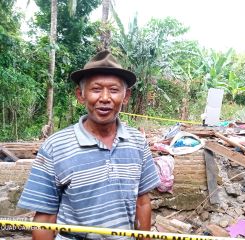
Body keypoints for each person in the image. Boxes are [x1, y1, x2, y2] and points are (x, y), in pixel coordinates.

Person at [17, 50, 160, 240]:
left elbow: (142, 202)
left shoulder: (138, 142)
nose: (105, 98)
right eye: (96, 89)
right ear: (81, 94)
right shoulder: (55, 147)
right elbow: (45, 217)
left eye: (114, 90)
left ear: (126, 96)